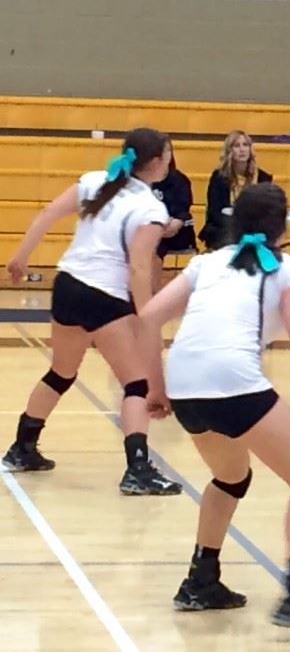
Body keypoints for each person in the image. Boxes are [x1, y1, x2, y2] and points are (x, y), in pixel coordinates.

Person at [137, 183, 290, 630]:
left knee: (230, 478)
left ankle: (201, 580)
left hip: (186, 384)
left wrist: (156, 390)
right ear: (282, 226)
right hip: (233, 380)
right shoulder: (286, 269)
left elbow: (148, 318)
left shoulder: (207, 262)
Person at [2, 128, 182, 495]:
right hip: (103, 295)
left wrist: (20, 256)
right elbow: (138, 268)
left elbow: (49, 212)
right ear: (155, 162)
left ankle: (22, 447)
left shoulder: (95, 180)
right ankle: (137, 470)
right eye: (167, 154)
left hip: (67, 285)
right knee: (136, 384)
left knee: (61, 372)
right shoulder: (150, 208)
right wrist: (146, 315)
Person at [199, 131, 273, 250]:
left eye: (245, 145)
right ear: (230, 151)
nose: (242, 149)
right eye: (236, 146)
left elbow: (267, 210)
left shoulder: (263, 177)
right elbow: (214, 212)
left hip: (254, 227)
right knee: (229, 237)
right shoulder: (219, 177)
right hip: (225, 227)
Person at [150, 142, 197, 291]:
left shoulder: (180, 180)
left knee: (155, 244)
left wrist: (175, 223)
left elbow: (184, 209)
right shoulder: (144, 181)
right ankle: (150, 294)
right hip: (151, 228)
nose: (165, 155)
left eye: (168, 151)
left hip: (177, 229)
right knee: (151, 246)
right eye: (161, 152)